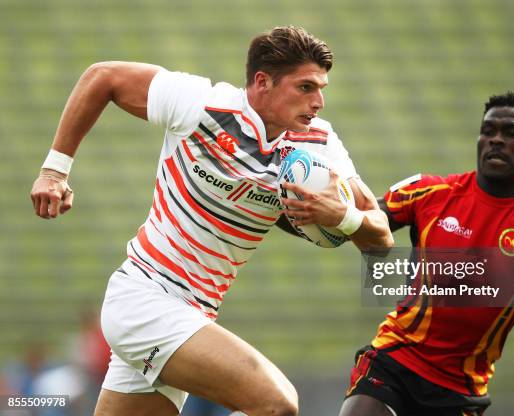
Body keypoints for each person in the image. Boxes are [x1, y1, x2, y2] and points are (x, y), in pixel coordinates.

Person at [30, 26, 393, 416]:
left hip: (191, 313)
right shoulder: (204, 104)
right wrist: (55, 171)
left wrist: (345, 217)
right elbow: (102, 77)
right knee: (277, 405)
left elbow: (381, 237)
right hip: (145, 299)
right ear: (262, 82)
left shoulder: (320, 144)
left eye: (322, 88)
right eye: (306, 87)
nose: (319, 101)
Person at [339, 92, 514, 416]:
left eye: (511, 134)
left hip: (460, 390)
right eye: (488, 130)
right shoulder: (432, 193)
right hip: (395, 360)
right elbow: (359, 219)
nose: (496, 140)